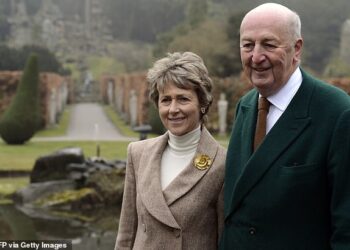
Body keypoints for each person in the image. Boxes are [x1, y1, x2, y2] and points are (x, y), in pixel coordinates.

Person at [220, 3, 350, 250]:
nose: (256, 57)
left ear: (296, 49)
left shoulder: (337, 113)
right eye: (248, 45)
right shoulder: (245, 107)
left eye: (269, 45)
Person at [115, 52, 226, 250]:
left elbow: (225, 239)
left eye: (183, 99)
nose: (173, 109)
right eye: (166, 100)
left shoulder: (222, 162)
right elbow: (126, 233)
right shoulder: (138, 153)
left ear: (202, 104)